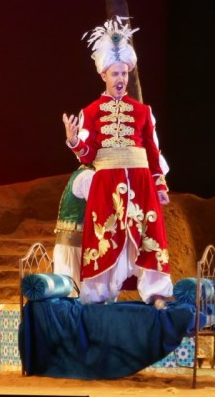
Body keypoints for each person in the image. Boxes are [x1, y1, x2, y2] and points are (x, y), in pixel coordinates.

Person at [62, 16, 172, 308]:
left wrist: (160, 184)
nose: (120, 79)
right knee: (104, 234)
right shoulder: (91, 112)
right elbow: (88, 154)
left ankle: (156, 293)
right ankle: (98, 295)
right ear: (104, 75)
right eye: (115, 73)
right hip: (106, 182)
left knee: (149, 234)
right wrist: (74, 142)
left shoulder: (143, 111)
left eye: (124, 73)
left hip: (141, 181)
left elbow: (152, 151)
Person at [52, 165, 94, 289]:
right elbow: (99, 211)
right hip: (74, 248)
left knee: (71, 292)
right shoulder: (89, 176)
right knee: (76, 293)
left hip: (69, 245)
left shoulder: (80, 173)